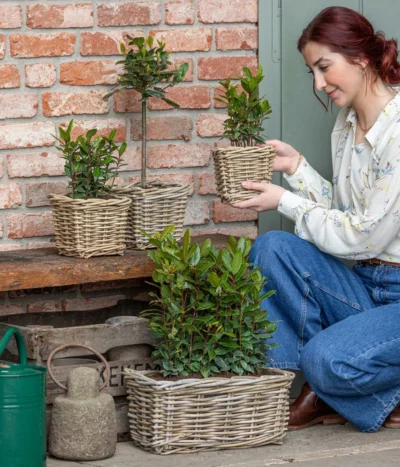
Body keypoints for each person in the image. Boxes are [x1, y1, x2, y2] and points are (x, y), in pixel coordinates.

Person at [233, 6, 400, 433]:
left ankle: (328, 388)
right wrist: (296, 168)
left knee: (326, 359)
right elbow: (347, 215)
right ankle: (313, 387)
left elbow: (363, 236)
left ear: (360, 57)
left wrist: (285, 201)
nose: (318, 84)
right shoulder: (347, 124)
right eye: (312, 71)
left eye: (324, 67)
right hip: (367, 284)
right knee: (273, 247)